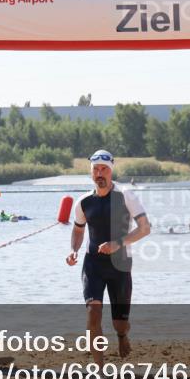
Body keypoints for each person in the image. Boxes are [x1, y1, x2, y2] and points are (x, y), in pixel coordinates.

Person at [66, 150, 151, 365]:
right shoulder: (83, 202)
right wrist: (74, 250)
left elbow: (145, 228)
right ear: (91, 173)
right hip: (93, 265)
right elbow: (78, 230)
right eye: (96, 170)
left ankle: (122, 335)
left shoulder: (125, 196)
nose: (99, 173)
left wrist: (118, 243)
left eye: (104, 169)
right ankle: (100, 368)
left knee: (119, 323)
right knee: (93, 312)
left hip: (120, 265)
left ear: (111, 171)